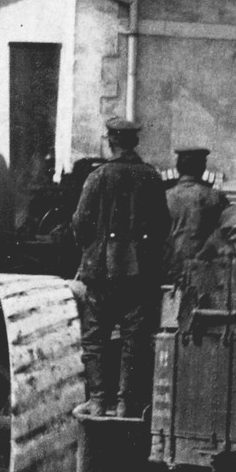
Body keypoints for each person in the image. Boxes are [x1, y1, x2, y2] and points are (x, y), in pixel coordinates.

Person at [71, 116, 170, 418]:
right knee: (135, 338)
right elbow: (163, 224)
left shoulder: (98, 177)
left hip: (101, 271)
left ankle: (99, 401)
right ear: (135, 142)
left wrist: (92, 250)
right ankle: (127, 402)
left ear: (110, 141)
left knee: (95, 337)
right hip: (140, 274)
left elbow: (80, 223)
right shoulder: (152, 177)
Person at [164, 146, 228, 281]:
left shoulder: (164, 196)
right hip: (205, 268)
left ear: (178, 167)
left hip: (170, 267)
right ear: (202, 169)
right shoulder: (217, 197)